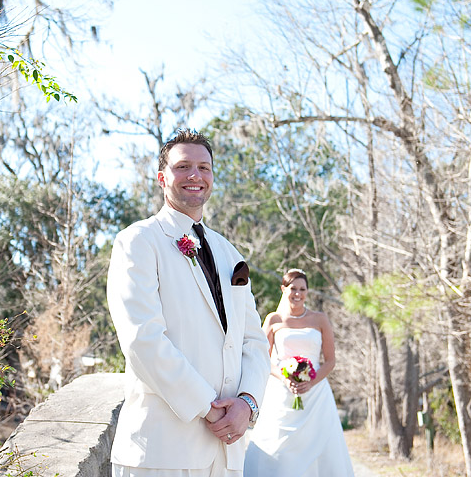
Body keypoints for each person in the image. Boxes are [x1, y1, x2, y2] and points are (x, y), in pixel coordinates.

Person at [107, 129, 271, 477]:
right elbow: (143, 340)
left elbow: (254, 343)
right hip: (162, 451)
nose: (195, 175)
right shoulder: (139, 242)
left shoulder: (230, 253)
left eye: (204, 167)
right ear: (162, 178)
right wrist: (209, 408)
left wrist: (247, 403)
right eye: (183, 167)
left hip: (226, 454)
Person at [243, 269, 355, 477]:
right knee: (279, 447)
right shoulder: (273, 320)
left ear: (307, 292)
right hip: (282, 391)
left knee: (318, 444)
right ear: (283, 289)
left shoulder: (320, 319)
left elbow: (330, 361)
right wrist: (285, 379)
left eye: (302, 289)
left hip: (316, 394)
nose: (298, 293)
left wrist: (310, 382)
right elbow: (263, 359)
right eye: (293, 288)